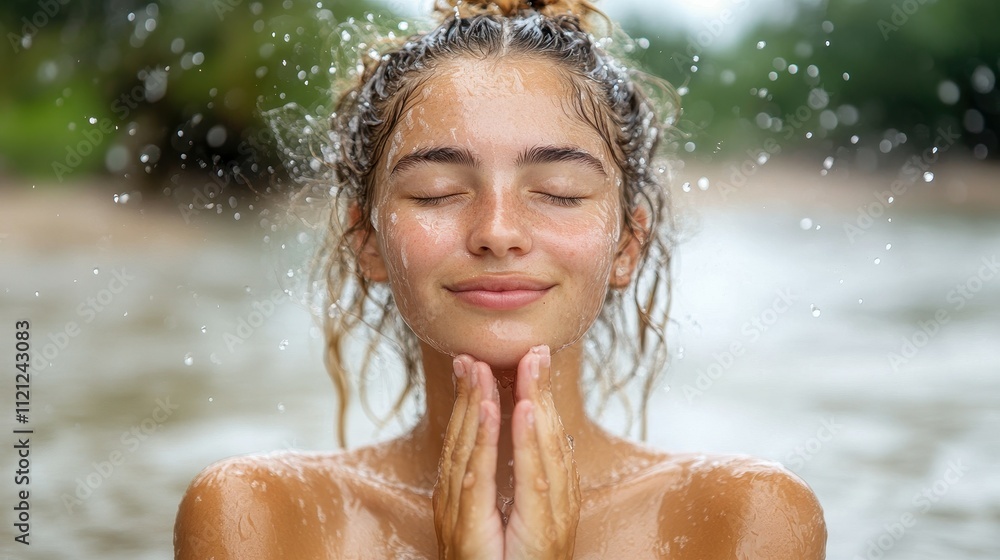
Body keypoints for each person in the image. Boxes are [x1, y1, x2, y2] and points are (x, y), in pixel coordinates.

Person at [174, 0, 827, 557]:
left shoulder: (737, 519)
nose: (497, 229)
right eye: (435, 193)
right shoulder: (263, 519)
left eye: (559, 191)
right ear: (366, 240)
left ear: (628, 241)